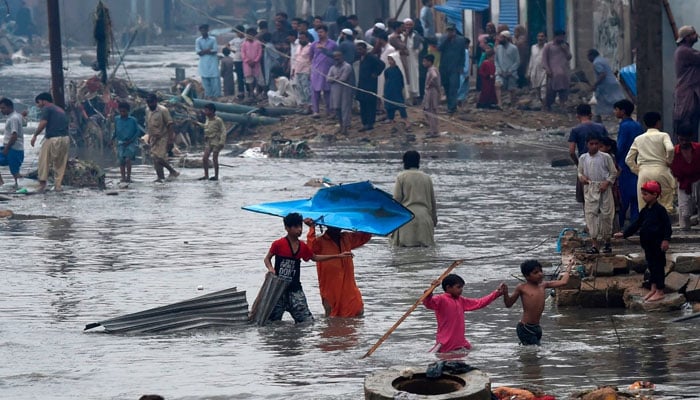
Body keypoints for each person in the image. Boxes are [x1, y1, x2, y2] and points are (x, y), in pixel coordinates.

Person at [264, 212, 352, 323]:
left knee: (307, 322)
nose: (299, 229)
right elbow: (267, 259)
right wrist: (271, 269)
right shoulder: (278, 244)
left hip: (295, 289)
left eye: (300, 226)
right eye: (296, 227)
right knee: (272, 323)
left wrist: (338, 256)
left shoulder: (302, 246)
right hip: (278, 290)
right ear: (287, 228)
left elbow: (314, 257)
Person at [614, 181, 672, 302]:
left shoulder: (660, 210)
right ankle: (653, 288)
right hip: (648, 244)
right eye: (643, 194)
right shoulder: (645, 210)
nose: (643, 196)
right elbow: (636, 224)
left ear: (655, 195)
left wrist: (666, 240)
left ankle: (660, 291)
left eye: (646, 194)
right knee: (650, 266)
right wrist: (624, 233)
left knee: (658, 266)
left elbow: (667, 227)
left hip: (658, 243)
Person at [305, 219, 371, 317]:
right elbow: (310, 252)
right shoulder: (320, 241)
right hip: (330, 287)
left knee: (357, 310)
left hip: (348, 286)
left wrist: (363, 220)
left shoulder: (346, 237)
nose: (337, 227)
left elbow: (364, 237)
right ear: (327, 225)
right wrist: (311, 228)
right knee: (332, 314)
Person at [423, 274, 505, 353]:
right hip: (445, 343)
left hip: (460, 343)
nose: (461, 290)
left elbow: (479, 303)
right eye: (458, 287)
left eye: (462, 287)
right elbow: (428, 303)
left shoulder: (461, 300)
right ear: (448, 287)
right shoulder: (441, 299)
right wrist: (431, 290)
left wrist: (496, 293)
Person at [502, 259, 573, 345]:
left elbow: (563, 282)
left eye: (541, 271)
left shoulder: (543, 285)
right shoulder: (521, 287)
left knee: (533, 352)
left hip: (536, 327)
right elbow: (509, 304)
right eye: (535, 273)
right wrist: (505, 293)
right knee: (534, 351)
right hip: (525, 327)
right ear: (527, 276)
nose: (540, 274)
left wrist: (569, 267)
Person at [625, 112, 676, 214]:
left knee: (644, 207)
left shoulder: (638, 139)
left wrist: (638, 171)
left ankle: (647, 228)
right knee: (665, 205)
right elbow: (670, 148)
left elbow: (628, 159)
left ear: (645, 123)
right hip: (661, 171)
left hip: (644, 173)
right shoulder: (663, 135)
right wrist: (668, 161)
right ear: (658, 123)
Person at [578, 133, 617, 254]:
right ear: (587, 145)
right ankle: (594, 244)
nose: (594, 146)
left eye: (596, 144)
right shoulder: (583, 158)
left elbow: (613, 172)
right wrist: (582, 178)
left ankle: (607, 242)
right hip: (590, 188)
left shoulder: (606, 157)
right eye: (591, 144)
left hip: (604, 188)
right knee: (590, 215)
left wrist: (607, 182)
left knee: (606, 215)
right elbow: (579, 172)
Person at [391, 150, 437, 247]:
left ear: (405, 162)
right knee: (425, 255)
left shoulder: (401, 177)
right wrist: (433, 221)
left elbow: (396, 201)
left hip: (406, 220)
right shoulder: (427, 178)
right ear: (418, 162)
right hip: (425, 220)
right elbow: (432, 202)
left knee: (404, 254)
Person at [568, 104, 609, 204]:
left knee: (586, 199)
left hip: (585, 166)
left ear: (577, 116)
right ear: (591, 114)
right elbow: (608, 146)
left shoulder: (575, 130)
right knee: (603, 198)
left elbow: (572, 151)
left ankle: (589, 219)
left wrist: (579, 165)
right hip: (601, 164)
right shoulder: (601, 127)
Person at [614, 99, 644, 228]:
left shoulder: (624, 126)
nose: (615, 112)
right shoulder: (637, 125)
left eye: (616, 109)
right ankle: (635, 224)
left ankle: (620, 226)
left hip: (624, 165)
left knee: (623, 198)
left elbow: (620, 147)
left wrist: (614, 160)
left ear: (623, 111)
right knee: (637, 196)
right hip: (637, 163)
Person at [30, 92, 69, 192]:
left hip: (53, 139)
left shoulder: (47, 108)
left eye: (38, 102)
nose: (38, 105)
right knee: (60, 164)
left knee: (43, 161)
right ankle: (58, 186)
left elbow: (43, 122)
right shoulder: (60, 109)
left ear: (43, 101)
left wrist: (35, 135)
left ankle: (42, 184)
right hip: (65, 139)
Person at [673, 25, 700, 142]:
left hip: (689, 93)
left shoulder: (684, 51)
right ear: (687, 37)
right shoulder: (685, 51)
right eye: (693, 34)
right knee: (687, 125)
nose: (696, 36)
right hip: (687, 94)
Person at [145, 93, 179, 183]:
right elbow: (149, 124)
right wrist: (148, 137)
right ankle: (160, 178)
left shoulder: (163, 110)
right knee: (155, 160)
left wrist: (170, 140)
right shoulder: (147, 110)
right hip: (153, 137)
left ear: (156, 101)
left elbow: (170, 124)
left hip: (163, 137)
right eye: (148, 103)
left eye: (151, 102)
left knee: (158, 157)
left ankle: (172, 171)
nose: (150, 104)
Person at [670, 132, 700, 230]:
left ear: (690, 138)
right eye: (681, 140)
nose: (684, 142)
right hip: (683, 181)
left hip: (698, 179)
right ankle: (684, 227)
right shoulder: (674, 151)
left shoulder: (698, 148)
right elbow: (671, 167)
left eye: (686, 140)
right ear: (678, 138)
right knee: (684, 210)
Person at [587, 49, 626, 122]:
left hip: (606, 85)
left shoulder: (596, 63)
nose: (588, 59)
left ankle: (598, 118)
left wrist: (594, 85)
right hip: (612, 82)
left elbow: (602, 74)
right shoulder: (603, 60)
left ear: (592, 56)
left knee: (603, 100)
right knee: (614, 99)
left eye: (588, 57)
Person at [356, 42, 385, 132]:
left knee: (370, 104)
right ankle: (364, 123)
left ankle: (370, 123)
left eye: (360, 49)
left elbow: (382, 64)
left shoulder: (371, 57)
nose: (359, 51)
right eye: (358, 49)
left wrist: (376, 73)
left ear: (365, 49)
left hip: (370, 85)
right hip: (362, 85)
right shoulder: (361, 58)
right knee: (363, 103)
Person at [309, 25, 337, 118]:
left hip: (328, 70)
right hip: (317, 70)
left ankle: (329, 111)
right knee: (315, 91)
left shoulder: (333, 44)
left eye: (321, 32)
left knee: (328, 91)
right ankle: (316, 111)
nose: (320, 34)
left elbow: (336, 55)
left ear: (326, 32)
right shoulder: (314, 44)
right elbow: (311, 56)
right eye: (318, 32)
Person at [438, 24, 466, 116]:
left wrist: (461, 66)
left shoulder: (461, 40)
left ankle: (452, 107)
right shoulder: (443, 38)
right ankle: (450, 105)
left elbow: (462, 54)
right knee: (446, 86)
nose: (450, 32)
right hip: (444, 67)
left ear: (454, 30)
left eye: (451, 30)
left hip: (455, 67)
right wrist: (447, 39)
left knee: (453, 87)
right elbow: (439, 48)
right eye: (448, 30)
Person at [541, 30, 572, 111]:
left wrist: (566, 50)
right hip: (553, 73)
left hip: (564, 73)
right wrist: (547, 69)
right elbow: (544, 60)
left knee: (564, 91)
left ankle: (562, 106)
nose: (562, 38)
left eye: (563, 37)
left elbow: (569, 57)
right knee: (551, 91)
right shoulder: (548, 46)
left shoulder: (565, 45)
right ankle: (548, 106)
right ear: (555, 37)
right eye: (560, 36)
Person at [112, 102, 141, 183]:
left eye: (124, 111)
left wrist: (131, 141)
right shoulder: (117, 119)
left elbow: (137, 132)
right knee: (121, 160)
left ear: (128, 111)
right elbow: (116, 131)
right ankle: (123, 178)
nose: (122, 113)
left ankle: (128, 177)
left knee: (128, 159)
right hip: (121, 142)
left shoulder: (133, 120)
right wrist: (112, 139)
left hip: (131, 143)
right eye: (121, 111)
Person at [197, 103, 226, 181]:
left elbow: (223, 131)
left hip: (216, 141)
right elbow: (206, 126)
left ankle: (216, 176)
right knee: (204, 158)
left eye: (206, 110)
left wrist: (222, 142)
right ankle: (206, 175)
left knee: (214, 158)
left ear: (212, 111)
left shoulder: (218, 120)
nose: (205, 112)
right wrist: (198, 124)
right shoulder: (207, 119)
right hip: (208, 140)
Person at [327, 50, 354, 134]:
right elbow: (328, 79)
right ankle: (341, 125)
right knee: (337, 109)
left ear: (342, 56)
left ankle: (345, 127)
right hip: (335, 91)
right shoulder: (332, 67)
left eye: (338, 56)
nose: (336, 58)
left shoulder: (347, 66)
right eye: (335, 57)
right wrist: (336, 77)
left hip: (345, 91)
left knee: (345, 109)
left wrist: (334, 78)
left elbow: (343, 79)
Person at [383, 53, 410, 132]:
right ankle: (393, 125)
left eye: (391, 59)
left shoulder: (399, 70)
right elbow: (386, 80)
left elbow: (402, 81)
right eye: (389, 59)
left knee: (401, 106)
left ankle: (407, 123)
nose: (390, 61)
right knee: (390, 108)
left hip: (397, 91)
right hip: (389, 91)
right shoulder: (387, 71)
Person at [0, 98, 24, 187]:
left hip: (13, 149)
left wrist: (6, 149)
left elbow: (14, 135)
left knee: (15, 173)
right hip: (10, 147)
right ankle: (1, 185)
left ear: (10, 107)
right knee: (15, 172)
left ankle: (23, 185)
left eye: (3, 108)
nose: (1, 110)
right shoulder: (15, 116)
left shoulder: (13, 118)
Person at [495, 30, 520, 108]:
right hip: (500, 72)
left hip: (511, 73)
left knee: (512, 89)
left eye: (501, 37)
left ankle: (513, 105)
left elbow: (517, 61)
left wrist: (510, 71)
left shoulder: (514, 48)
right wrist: (499, 70)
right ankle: (499, 103)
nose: (499, 39)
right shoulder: (498, 48)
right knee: (497, 85)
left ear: (506, 38)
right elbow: (496, 60)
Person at [196, 24, 220, 98]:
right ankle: (208, 96)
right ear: (200, 31)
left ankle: (216, 96)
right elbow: (198, 52)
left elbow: (215, 50)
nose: (203, 32)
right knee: (205, 79)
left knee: (215, 79)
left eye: (205, 30)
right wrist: (208, 50)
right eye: (202, 30)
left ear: (207, 30)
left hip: (212, 61)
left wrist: (204, 51)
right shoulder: (198, 40)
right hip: (203, 62)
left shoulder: (213, 39)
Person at [402, 19, 424, 103]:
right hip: (404, 60)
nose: (408, 27)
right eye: (406, 25)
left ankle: (414, 97)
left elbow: (420, 47)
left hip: (413, 60)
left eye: (410, 25)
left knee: (414, 78)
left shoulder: (416, 36)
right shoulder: (401, 35)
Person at [292, 31, 313, 114]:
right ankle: (302, 106)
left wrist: (311, 72)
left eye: (302, 38)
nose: (301, 40)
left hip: (306, 71)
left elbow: (312, 60)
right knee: (299, 89)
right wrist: (293, 70)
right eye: (300, 38)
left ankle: (309, 107)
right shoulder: (298, 46)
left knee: (306, 89)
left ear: (307, 38)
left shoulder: (310, 47)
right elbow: (295, 58)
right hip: (297, 70)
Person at [241, 27, 264, 100]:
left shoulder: (258, 43)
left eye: (252, 34)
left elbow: (259, 53)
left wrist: (255, 61)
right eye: (249, 34)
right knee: (249, 79)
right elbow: (243, 54)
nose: (250, 35)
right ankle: (251, 93)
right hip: (247, 64)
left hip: (256, 64)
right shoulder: (244, 43)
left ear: (254, 34)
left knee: (257, 78)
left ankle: (257, 93)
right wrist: (248, 61)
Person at [422, 54, 441, 138]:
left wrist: (429, 84)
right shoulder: (432, 69)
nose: (423, 63)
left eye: (425, 61)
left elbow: (434, 76)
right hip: (433, 92)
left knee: (430, 111)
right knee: (431, 111)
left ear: (429, 62)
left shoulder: (432, 69)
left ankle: (434, 132)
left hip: (431, 93)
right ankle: (433, 130)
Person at [527, 32, 547, 105]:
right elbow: (531, 60)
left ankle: (544, 104)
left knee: (544, 87)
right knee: (537, 87)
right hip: (535, 70)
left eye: (542, 36)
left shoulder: (547, 47)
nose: (540, 38)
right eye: (539, 36)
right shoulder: (533, 47)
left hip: (544, 70)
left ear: (545, 38)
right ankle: (540, 103)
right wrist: (529, 72)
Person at [228, 25, 247, 99]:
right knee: (239, 76)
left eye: (238, 32)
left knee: (247, 75)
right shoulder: (235, 40)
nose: (237, 34)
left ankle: (248, 90)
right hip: (237, 59)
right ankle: (241, 91)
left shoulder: (246, 39)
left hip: (245, 59)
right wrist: (232, 50)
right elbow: (227, 45)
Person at [457, 38, 471, 107]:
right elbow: (466, 63)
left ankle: (459, 102)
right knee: (462, 88)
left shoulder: (458, 50)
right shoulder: (465, 51)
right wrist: (466, 73)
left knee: (460, 87)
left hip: (459, 71)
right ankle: (460, 102)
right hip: (463, 72)